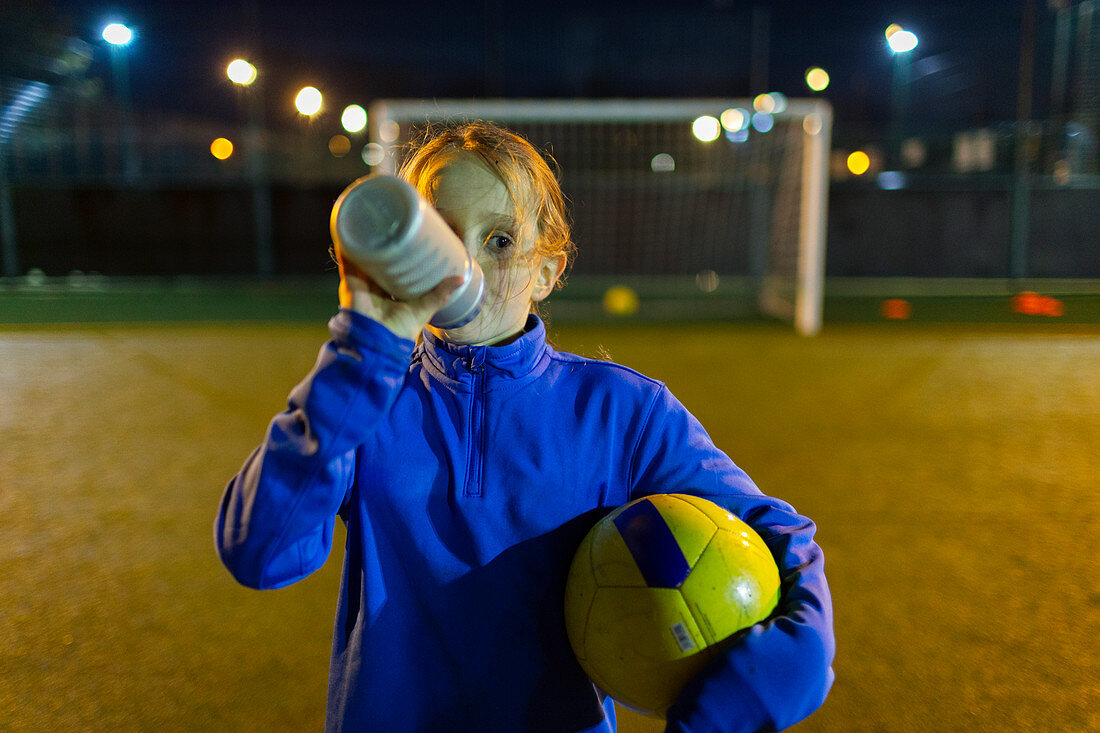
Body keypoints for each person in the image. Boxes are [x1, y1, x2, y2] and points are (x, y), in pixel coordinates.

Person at [215, 121, 834, 732]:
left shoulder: (621, 410)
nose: (470, 267)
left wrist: (747, 695)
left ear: (547, 271)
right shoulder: (366, 394)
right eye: (445, 238)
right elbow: (261, 553)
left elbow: (780, 539)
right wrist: (361, 353)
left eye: (501, 241)